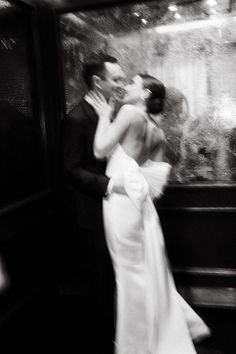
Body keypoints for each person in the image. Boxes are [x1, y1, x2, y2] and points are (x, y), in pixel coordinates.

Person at [87, 73, 211, 354]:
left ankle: (136, 344)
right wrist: (134, 183)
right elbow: (154, 183)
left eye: (131, 83)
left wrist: (105, 115)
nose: (125, 87)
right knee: (147, 270)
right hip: (143, 209)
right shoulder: (157, 131)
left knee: (128, 273)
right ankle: (161, 328)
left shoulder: (129, 112)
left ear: (143, 94)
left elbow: (99, 149)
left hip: (120, 204)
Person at [62, 54, 127, 354]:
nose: (121, 84)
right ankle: (105, 342)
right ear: (97, 82)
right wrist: (110, 185)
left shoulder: (109, 111)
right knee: (102, 280)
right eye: (116, 79)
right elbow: (72, 170)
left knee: (116, 277)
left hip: (117, 209)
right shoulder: (76, 118)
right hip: (94, 211)